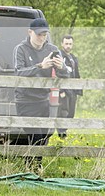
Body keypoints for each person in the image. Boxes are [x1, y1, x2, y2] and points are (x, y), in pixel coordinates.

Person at [12, 18, 69, 170]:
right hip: (25, 100)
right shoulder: (21, 49)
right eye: (39, 34)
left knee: (44, 135)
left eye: (44, 35)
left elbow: (65, 76)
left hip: (43, 99)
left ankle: (31, 165)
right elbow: (19, 72)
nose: (42, 38)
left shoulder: (52, 49)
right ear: (30, 32)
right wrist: (40, 66)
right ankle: (35, 167)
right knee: (35, 134)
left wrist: (62, 68)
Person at [56, 34, 82, 138]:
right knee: (63, 112)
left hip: (73, 90)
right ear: (62, 44)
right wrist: (61, 90)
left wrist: (78, 89)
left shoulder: (73, 58)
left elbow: (76, 74)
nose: (68, 46)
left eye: (70, 44)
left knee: (71, 113)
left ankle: (64, 133)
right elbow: (57, 73)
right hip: (64, 90)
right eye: (66, 43)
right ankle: (61, 135)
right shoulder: (59, 57)